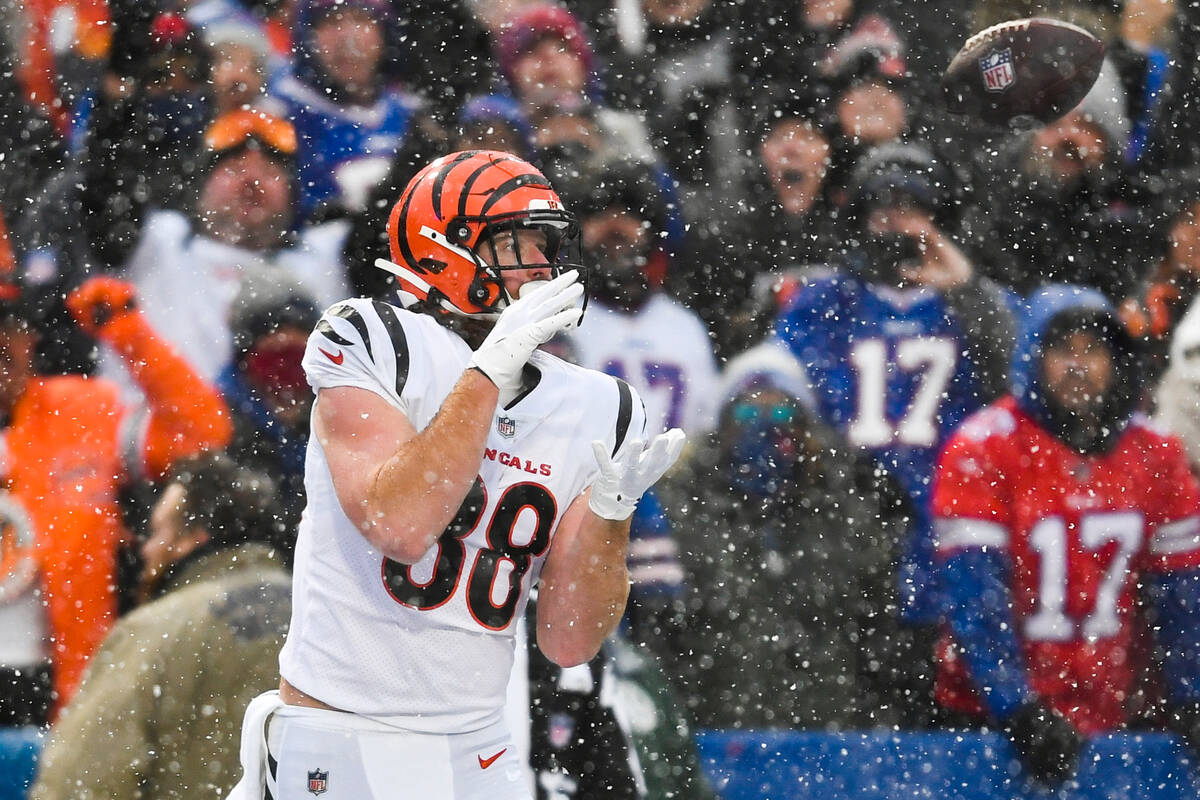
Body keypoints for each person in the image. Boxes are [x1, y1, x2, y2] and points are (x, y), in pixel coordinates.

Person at [224, 150, 685, 800]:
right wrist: (489, 373)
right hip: (341, 736)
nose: (540, 266)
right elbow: (399, 524)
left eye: (544, 244)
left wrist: (611, 512)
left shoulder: (594, 405)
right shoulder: (372, 339)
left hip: (479, 752)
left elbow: (569, 638)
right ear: (444, 249)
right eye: (515, 243)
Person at [773, 143, 1015, 723]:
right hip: (843, 528)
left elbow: (1023, 383)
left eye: (912, 207)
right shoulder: (825, 302)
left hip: (945, 529)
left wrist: (969, 291)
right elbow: (782, 394)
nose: (896, 221)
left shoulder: (972, 304)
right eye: (882, 207)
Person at [933, 285, 1200, 783]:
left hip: (1117, 715)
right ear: (1033, 356)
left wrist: (1192, 696)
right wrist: (1017, 709)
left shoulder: (1156, 455)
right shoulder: (984, 448)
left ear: (1116, 361)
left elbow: (1182, 596)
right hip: (989, 722)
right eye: (1062, 349)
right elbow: (976, 596)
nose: (1078, 366)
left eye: (1093, 349)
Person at [0, 276, 231, 725]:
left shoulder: (82, 413)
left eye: (7, 328)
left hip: (70, 710)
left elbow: (202, 435)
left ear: (29, 337)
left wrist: (131, 335)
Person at [660, 343, 904, 730]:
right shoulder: (682, 509)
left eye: (782, 411)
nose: (764, 425)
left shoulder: (845, 509)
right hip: (716, 730)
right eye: (745, 410)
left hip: (826, 733)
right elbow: (662, 636)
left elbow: (877, 631)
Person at [30, 452, 291, 800]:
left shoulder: (156, 630)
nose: (147, 549)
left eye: (156, 532)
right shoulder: (318, 615)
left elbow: (81, 781)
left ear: (192, 539)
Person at [107, 107, 350, 384]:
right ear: (201, 188)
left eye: (270, 172)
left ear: (293, 195)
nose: (251, 182)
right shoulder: (159, 243)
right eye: (234, 170)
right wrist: (118, 99)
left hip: (281, 424)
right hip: (162, 423)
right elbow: (102, 183)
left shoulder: (325, 258)